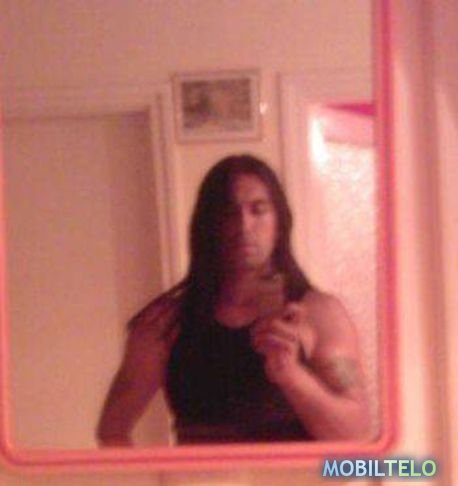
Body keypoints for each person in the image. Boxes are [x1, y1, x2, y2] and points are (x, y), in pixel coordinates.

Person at [96, 154, 370, 446]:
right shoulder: (164, 324)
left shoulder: (319, 315)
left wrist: (291, 375)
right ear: (208, 226)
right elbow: (112, 430)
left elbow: (356, 434)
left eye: (258, 210)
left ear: (279, 222)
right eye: (228, 212)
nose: (244, 224)